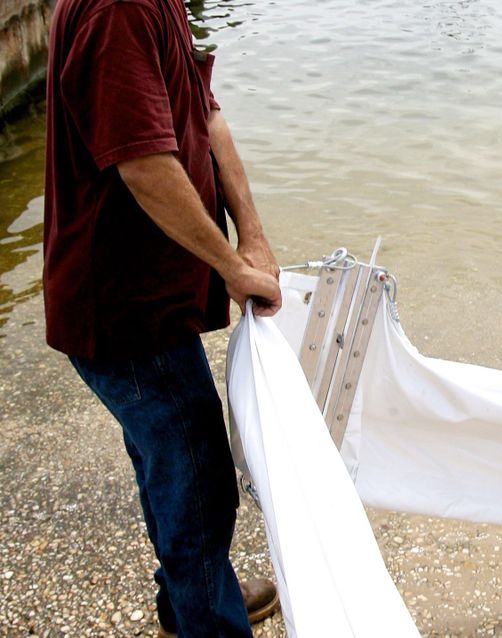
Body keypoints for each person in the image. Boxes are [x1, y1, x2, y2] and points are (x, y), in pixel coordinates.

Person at [44, 0, 283, 635]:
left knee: (169, 460)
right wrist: (231, 268)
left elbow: (207, 116)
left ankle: (186, 599)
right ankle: (207, 618)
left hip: (148, 303)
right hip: (122, 310)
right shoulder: (117, 10)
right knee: (197, 479)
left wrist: (252, 238)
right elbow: (143, 162)